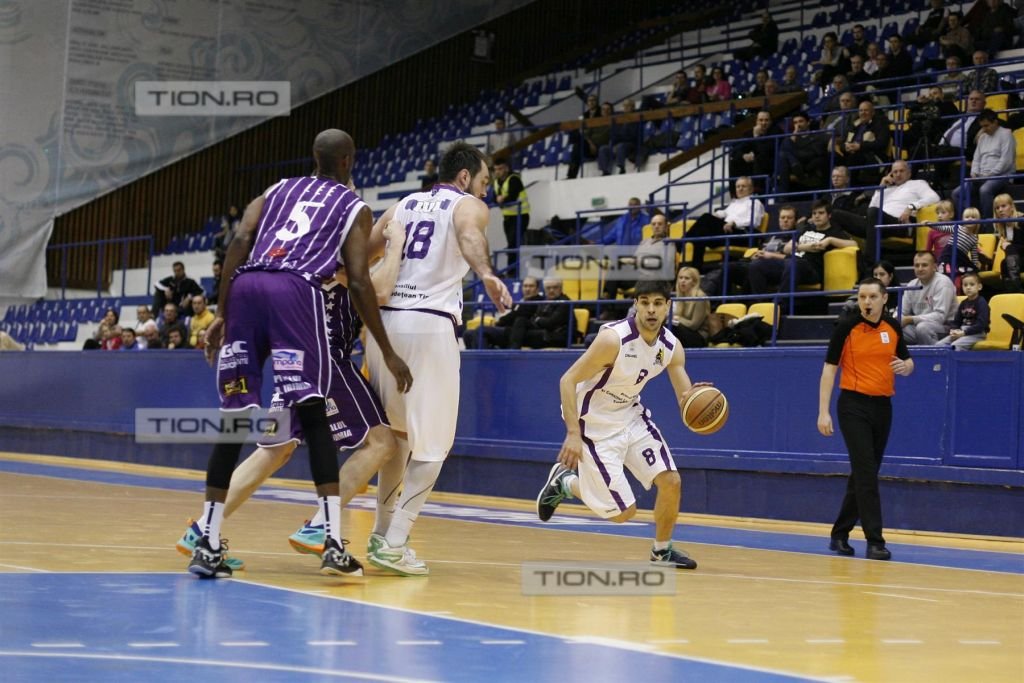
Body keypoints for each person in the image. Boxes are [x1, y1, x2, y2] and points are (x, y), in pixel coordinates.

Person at [187, 128, 412, 579]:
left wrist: (222, 312)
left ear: (314, 156)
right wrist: (388, 351)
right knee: (323, 418)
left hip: (247, 286)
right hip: (296, 299)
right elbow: (362, 282)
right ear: (348, 161)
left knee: (241, 422)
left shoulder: (276, 190)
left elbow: (240, 239)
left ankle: (204, 538)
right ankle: (329, 539)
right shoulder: (352, 207)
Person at [364, 142, 512, 575]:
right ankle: (395, 542)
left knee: (398, 436)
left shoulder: (402, 205)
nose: (486, 191)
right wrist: (486, 273)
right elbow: (469, 235)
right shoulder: (467, 205)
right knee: (434, 447)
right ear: (464, 177)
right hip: (427, 326)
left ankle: (380, 534)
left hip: (382, 327)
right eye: (484, 181)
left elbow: (363, 254)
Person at [535, 279, 704, 570]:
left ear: (668, 306)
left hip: (630, 415)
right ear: (636, 304)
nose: (651, 310)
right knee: (624, 513)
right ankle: (566, 483)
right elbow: (568, 380)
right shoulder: (613, 340)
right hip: (593, 424)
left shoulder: (671, 347)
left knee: (671, 481)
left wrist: (695, 399)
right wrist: (573, 433)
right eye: (645, 302)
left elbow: (684, 397)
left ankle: (661, 551)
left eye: (658, 303)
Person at [819, 277, 914, 561]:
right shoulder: (846, 327)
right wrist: (823, 411)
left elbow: (907, 360)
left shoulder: (892, 327)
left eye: (872, 297)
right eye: (862, 297)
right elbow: (829, 370)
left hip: (883, 407)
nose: (867, 302)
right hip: (853, 406)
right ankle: (875, 541)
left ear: (884, 299)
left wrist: (907, 366)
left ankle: (839, 534)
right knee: (866, 473)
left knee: (865, 473)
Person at [830, 161, 940, 265]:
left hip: (900, 223)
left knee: (874, 213)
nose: (898, 174)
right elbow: (871, 208)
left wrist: (911, 206)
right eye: (895, 172)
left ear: (909, 173)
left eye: (901, 171)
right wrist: (880, 188)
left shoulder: (917, 184)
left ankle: (870, 262)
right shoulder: (887, 189)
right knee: (834, 214)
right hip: (876, 223)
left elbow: (934, 197)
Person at [748, 200, 857, 294]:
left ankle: (781, 305)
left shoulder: (833, 231)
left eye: (821, 213)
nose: (817, 216)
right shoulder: (806, 229)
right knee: (756, 265)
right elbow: (787, 248)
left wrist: (830, 240)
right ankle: (760, 304)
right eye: (814, 213)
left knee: (793, 263)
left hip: (811, 269)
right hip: (790, 262)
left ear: (829, 215)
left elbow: (853, 244)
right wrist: (804, 247)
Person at [685, 176, 765, 270]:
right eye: (738, 186)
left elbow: (754, 222)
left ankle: (682, 242)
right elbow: (725, 212)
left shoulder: (755, 202)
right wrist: (716, 215)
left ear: (751, 189)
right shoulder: (735, 203)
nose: (740, 189)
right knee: (701, 233)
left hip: (742, 234)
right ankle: (696, 268)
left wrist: (734, 223)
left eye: (743, 186)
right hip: (728, 231)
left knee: (705, 219)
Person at [953, 109, 1016, 218]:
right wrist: (974, 173)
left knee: (985, 190)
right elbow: (976, 159)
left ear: (995, 122)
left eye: (987, 126)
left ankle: (988, 224)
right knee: (956, 193)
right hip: (981, 176)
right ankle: (970, 219)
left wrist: (989, 174)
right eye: (982, 126)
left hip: (1001, 175)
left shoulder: (1006, 134)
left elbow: (1006, 161)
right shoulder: (982, 137)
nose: (984, 129)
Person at [463, 276, 543, 349]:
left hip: (517, 332)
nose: (527, 289)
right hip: (507, 329)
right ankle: (475, 357)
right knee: (468, 333)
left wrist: (499, 322)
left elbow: (517, 315)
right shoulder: (521, 301)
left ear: (537, 289)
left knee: (481, 330)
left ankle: (484, 358)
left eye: (531, 286)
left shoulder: (538, 301)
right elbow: (512, 315)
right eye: (525, 286)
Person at [900, 251, 958, 344]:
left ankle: (935, 353)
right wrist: (896, 319)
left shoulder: (943, 283)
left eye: (924, 265)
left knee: (923, 328)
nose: (920, 269)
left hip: (946, 327)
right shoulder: (911, 284)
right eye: (917, 265)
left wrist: (911, 319)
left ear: (934, 267)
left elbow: (940, 317)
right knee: (894, 329)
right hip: (920, 326)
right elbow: (902, 311)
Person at [938, 272, 990, 349]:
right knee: (939, 345)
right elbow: (957, 321)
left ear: (979, 287)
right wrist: (953, 330)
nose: (968, 287)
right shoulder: (963, 303)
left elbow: (981, 325)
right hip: (962, 332)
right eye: (965, 285)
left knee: (955, 346)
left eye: (972, 284)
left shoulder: (982, 303)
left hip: (977, 334)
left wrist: (964, 332)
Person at [492, 157, 533, 250]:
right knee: (511, 243)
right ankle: (513, 259)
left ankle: (514, 259)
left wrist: (501, 199)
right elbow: (494, 198)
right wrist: (498, 199)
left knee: (513, 243)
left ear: (507, 168)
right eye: (495, 169)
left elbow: (512, 198)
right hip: (507, 217)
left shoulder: (514, 179)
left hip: (520, 216)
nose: (497, 172)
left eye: (500, 169)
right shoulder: (496, 182)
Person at [670, 266, 710, 347]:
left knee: (673, 327)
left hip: (699, 336)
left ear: (694, 282)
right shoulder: (681, 296)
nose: (683, 281)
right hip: (685, 333)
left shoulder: (700, 297)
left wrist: (678, 318)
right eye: (680, 278)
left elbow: (694, 325)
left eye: (687, 278)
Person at [993, 192, 1024, 292]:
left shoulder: (1021, 220)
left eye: (1003, 206)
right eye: (997, 208)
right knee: (1004, 264)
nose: (1000, 210)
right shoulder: (1004, 226)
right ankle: (1012, 293)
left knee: (1009, 251)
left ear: (1011, 206)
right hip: (1017, 261)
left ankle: (1018, 289)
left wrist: (1009, 246)